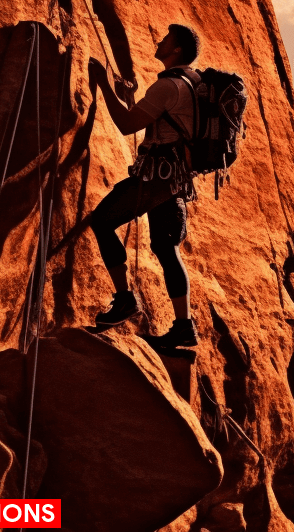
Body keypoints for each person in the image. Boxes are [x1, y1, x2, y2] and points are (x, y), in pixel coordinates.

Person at [87, 23, 201, 349]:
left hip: (157, 177)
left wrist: (103, 83)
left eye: (166, 39)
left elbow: (126, 125)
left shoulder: (167, 86)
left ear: (176, 50)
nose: (159, 41)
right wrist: (130, 98)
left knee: (103, 220)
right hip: (177, 179)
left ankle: (125, 300)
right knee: (167, 250)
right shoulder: (192, 83)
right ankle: (183, 326)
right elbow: (163, 119)